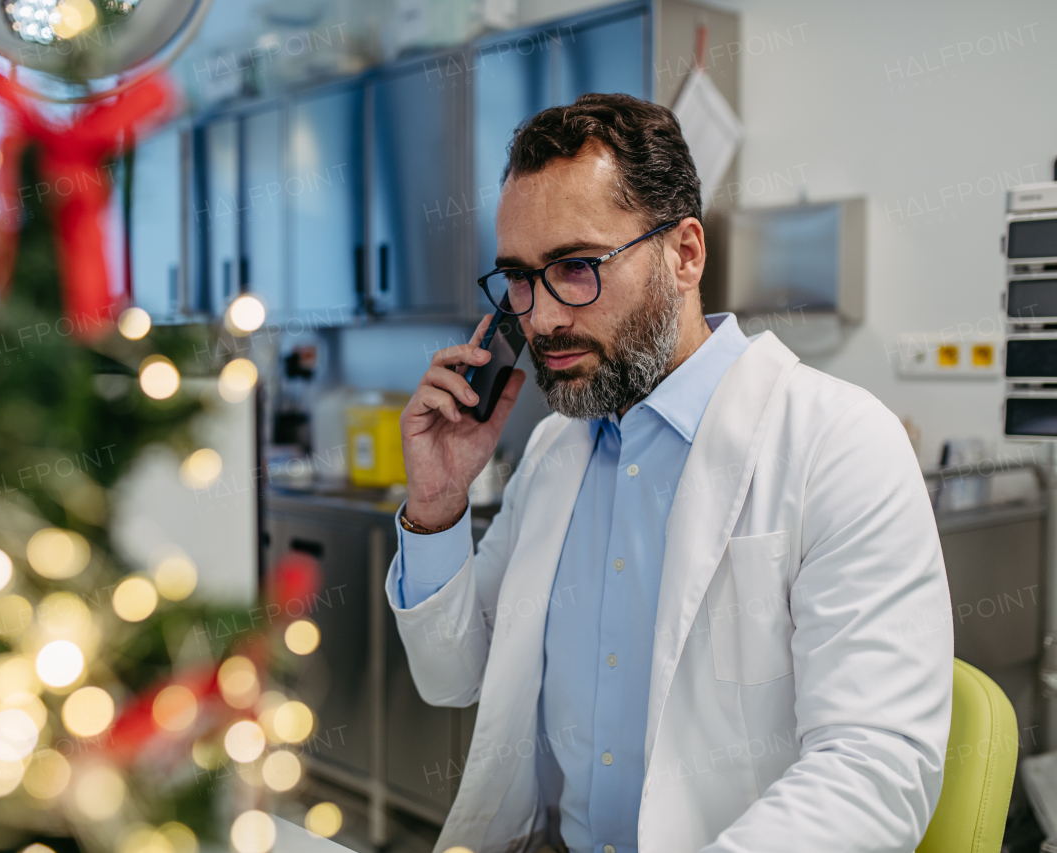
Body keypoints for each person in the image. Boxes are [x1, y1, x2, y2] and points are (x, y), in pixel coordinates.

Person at [387, 93, 952, 853]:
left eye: (577, 267)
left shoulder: (841, 444)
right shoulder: (557, 452)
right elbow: (454, 676)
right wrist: (437, 499)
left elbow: (875, 769)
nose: (543, 318)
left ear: (684, 253)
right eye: (520, 279)